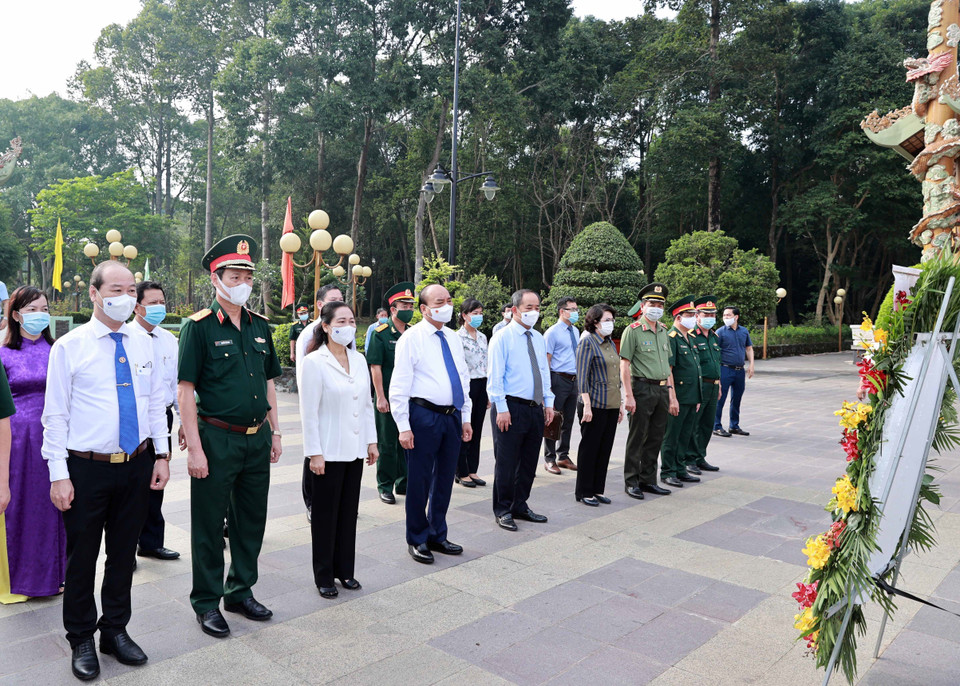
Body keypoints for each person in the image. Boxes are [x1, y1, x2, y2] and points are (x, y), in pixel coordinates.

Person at [42, 261, 170, 680]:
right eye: (116, 289)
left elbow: (155, 403)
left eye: (131, 290)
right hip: (86, 468)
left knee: (123, 554)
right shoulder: (70, 347)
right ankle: (80, 636)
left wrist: (162, 455)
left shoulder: (143, 343)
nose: (126, 297)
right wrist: (58, 474)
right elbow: (55, 416)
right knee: (82, 557)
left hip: (136, 463)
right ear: (94, 294)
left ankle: (114, 629)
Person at [177, 235, 283, 640]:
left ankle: (240, 591)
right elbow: (185, 391)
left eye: (247, 277)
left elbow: (269, 383)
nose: (242, 283)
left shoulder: (259, 325)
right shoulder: (198, 327)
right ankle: (207, 601)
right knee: (208, 524)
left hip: (257, 438)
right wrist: (195, 449)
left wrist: (275, 431)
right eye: (234, 276)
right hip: (217, 438)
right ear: (216, 279)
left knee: (250, 520)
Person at [299, 302, 378, 598]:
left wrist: (371, 441)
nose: (348, 326)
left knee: (347, 513)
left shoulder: (358, 359)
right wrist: (314, 453)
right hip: (328, 451)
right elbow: (309, 412)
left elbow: (367, 404)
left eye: (352, 320)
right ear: (326, 326)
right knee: (324, 516)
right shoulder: (314, 362)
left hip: (354, 449)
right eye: (341, 321)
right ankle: (324, 576)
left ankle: (345, 570)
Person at [389, 284, 472, 564]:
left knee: (445, 477)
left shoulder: (453, 337)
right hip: (423, 415)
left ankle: (438, 533)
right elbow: (399, 385)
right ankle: (417, 537)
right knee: (420, 479)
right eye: (439, 302)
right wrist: (403, 426)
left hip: (452, 415)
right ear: (424, 308)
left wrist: (466, 416)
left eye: (449, 300)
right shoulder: (411, 339)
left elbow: (462, 377)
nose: (446, 306)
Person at [1, 287, 64, 604]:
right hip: (16, 443)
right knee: (20, 508)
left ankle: (54, 575)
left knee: (53, 507)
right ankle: (21, 578)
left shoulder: (59, 350)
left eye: (45, 309)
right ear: (15, 315)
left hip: (55, 439)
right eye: (32, 310)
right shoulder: (3, 354)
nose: (41, 315)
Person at [487, 289, 555, 532]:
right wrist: (501, 408)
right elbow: (495, 377)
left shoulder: (537, 337)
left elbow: (544, 372)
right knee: (506, 463)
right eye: (529, 308)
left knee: (528, 462)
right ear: (515, 309)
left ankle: (520, 504)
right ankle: (503, 509)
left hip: (534, 407)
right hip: (510, 407)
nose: (534, 312)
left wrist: (548, 402)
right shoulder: (502, 338)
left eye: (537, 308)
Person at [130, 281, 181, 562]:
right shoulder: (127, 337)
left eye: (162, 302)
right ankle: (125, 549)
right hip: (135, 418)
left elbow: (176, 384)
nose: (159, 307)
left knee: (157, 480)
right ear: (137, 307)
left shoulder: (169, 339)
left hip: (163, 416)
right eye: (152, 303)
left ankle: (150, 543)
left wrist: (184, 421)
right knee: (131, 485)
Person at [296, 284, 345, 520]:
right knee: (314, 452)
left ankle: (338, 500)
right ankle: (312, 502)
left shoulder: (343, 331)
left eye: (341, 299)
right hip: (318, 404)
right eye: (332, 299)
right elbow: (302, 374)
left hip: (339, 404)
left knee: (337, 453)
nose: (338, 303)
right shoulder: (308, 334)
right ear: (319, 304)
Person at [619, 284, 673, 500]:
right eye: (652, 304)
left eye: (660, 304)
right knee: (637, 437)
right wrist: (628, 395)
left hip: (661, 389)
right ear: (642, 306)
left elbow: (667, 365)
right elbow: (624, 365)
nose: (656, 308)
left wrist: (671, 393)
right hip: (641, 388)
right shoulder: (632, 331)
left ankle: (648, 480)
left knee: (656, 437)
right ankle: (631, 481)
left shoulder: (663, 331)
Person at [367, 283, 416, 504]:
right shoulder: (381, 333)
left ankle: (404, 482)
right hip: (387, 395)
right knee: (387, 443)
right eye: (404, 306)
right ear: (393, 309)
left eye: (411, 306)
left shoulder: (413, 333)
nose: (409, 309)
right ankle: (385, 485)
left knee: (407, 439)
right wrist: (380, 396)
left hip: (410, 397)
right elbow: (375, 366)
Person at [574, 304, 624, 507]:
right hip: (594, 404)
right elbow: (582, 377)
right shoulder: (588, 342)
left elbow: (615, 376)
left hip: (611, 403)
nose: (611, 323)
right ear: (595, 322)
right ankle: (584, 491)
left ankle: (597, 489)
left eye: (612, 320)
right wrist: (586, 405)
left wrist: (620, 403)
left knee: (604, 449)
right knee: (590, 448)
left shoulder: (610, 342)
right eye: (606, 320)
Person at [659, 296, 703, 488]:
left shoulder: (690, 338)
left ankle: (680, 468)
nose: (694, 318)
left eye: (694, 314)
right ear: (678, 317)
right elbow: (669, 370)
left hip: (692, 395)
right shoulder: (672, 338)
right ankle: (668, 471)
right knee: (672, 435)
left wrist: (698, 396)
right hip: (679, 396)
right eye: (690, 315)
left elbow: (696, 368)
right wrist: (672, 397)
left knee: (685, 435)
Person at [684, 296, 722, 474]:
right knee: (694, 423)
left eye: (712, 314)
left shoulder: (714, 336)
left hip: (713, 385)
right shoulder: (691, 336)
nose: (710, 318)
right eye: (706, 314)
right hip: (699, 385)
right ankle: (689, 459)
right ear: (697, 316)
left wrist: (719, 384)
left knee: (707, 424)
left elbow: (716, 362)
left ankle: (700, 456)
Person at [542, 297, 580, 475]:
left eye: (576, 309)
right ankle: (549, 458)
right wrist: (547, 386)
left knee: (569, 419)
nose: (575, 312)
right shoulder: (552, 332)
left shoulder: (576, 331)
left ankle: (563, 455)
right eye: (572, 309)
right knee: (553, 419)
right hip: (558, 378)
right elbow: (546, 360)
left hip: (573, 379)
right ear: (562, 311)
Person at [456, 298, 489, 488]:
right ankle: (461, 470)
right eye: (475, 313)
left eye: (480, 313)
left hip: (482, 384)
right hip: (466, 385)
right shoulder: (457, 338)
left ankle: (472, 469)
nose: (479, 316)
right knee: (464, 427)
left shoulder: (483, 337)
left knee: (477, 427)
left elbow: (487, 364)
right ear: (464, 315)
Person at [713, 306, 755, 437]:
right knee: (720, 398)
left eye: (728, 315)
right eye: (724, 315)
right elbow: (715, 352)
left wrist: (751, 365)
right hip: (725, 369)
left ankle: (734, 426)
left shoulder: (744, 331)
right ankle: (716, 426)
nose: (725, 317)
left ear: (736, 317)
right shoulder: (720, 332)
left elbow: (749, 348)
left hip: (739, 370)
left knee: (737, 398)